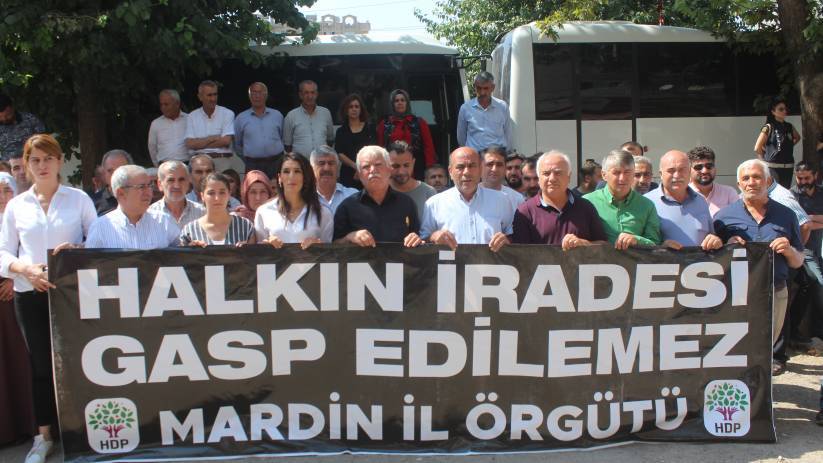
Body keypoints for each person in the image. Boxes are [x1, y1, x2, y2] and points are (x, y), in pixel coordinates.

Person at [0, 134, 96, 463]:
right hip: (29, 294)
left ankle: (82, 433)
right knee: (41, 366)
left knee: (80, 362)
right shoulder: (17, 206)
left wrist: (78, 249)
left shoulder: (78, 199)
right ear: (27, 165)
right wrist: (25, 269)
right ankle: (44, 437)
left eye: (48, 159)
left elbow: (98, 239)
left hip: (72, 295)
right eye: (35, 160)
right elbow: (3, 252)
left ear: (59, 161)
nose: (42, 165)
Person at [714, 159, 803, 355]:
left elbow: (798, 261)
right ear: (739, 184)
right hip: (737, 295)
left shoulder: (787, 215)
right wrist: (726, 246)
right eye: (746, 178)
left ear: (768, 181)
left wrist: (789, 250)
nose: (751, 182)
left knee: (766, 348)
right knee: (737, 348)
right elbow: (713, 259)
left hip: (775, 291)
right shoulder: (723, 217)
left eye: (757, 177)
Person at [421, 147, 514, 251]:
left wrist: (506, 240)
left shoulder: (501, 200)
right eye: (460, 167)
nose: (466, 172)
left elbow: (513, 237)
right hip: (451, 262)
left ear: (480, 169)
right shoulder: (434, 204)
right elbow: (423, 241)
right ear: (450, 172)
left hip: (489, 261)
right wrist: (433, 237)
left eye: (472, 166)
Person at [0, 171, 35, 447]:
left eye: (7, 190)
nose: (2, 197)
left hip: (16, 299)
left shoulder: (22, 216)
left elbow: (26, 251)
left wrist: (13, 278)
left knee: (22, 363)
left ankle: (29, 426)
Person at [512, 151, 607, 247]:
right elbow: (519, 252)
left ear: (568, 177)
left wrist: (585, 244)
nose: (552, 178)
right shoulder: (525, 212)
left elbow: (603, 246)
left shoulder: (586, 207)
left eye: (558, 173)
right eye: (546, 173)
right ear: (539, 179)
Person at [333, 146, 423, 247]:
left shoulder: (407, 204)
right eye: (366, 166)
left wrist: (415, 239)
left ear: (389, 169)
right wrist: (349, 238)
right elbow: (334, 246)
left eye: (378, 164)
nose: (373, 170)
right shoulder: (347, 207)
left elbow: (418, 240)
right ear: (359, 174)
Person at [85, 165, 180, 249]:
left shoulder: (164, 221)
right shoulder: (100, 228)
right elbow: (91, 262)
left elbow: (182, 256)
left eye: (149, 185)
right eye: (141, 187)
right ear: (121, 193)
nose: (149, 192)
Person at [644, 150, 721, 250]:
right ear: (661, 174)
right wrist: (660, 248)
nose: (677, 175)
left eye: (682, 170)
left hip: (699, 260)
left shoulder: (700, 201)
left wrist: (715, 240)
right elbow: (639, 246)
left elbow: (711, 234)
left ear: (689, 172)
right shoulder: (647, 202)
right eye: (671, 170)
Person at [584, 150, 661, 249]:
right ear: (604, 175)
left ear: (633, 174)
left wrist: (636, 240)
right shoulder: (587, 202)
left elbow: (655, 243)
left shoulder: (647, 205)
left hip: (635, 259)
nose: (622, 178)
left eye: (627, 172)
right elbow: (579, 239)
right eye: (616, 172)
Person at [255, 153, 332, 247]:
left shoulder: (323, 213)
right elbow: (258, 251)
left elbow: (330, 251)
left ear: (305, 177)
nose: (291, 176)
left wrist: (318, 245)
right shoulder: (263, 212)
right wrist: (267, 245)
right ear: (279, 178)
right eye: (286, 171)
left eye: (297, 171)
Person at [180, 173, 255, 246]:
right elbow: (181, 253)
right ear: (202, 196)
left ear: (229, 194)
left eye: (222, 193)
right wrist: (190, 250)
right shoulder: (189, 231)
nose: (217, 198)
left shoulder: (245, 226)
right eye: (211, 193)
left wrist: (246, 250)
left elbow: (255, 254)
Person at [376, 89, 436, 180]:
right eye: (396, 101)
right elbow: (380, 149)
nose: (400, 103)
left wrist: (430, 168)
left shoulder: (419, 122)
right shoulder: (384, 124)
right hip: (392, 168)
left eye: (402, 100)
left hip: (416, 167)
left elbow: (429, 147)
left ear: (407, 103)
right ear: (392, 104)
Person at [184, 80, 240, 173]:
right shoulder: (192, 116)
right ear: (200, 97)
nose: (213, 99)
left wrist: (199, 143)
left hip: (222, 160)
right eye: (209, 95)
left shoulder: (227, 113)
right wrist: (211, 138)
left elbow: (226, 141)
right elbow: (190, 144)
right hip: (200, 162)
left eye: (215, 94)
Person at [233, 82, 284, 178]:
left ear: (266, 95)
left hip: (276, 162)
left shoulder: (277, 115)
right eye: (253, 93)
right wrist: (248, 158)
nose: (257, 96)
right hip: (253, 164)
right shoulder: (241, 118)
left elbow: (282, 138)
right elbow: (237, 144)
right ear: (249, 96)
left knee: (278, 186)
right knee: (255, 187)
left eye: (260, 92)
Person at [457, 72, 512, 152]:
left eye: (486, 88)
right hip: (475, 156)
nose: (482, 92)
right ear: (474, 87)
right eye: (479, 88)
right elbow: (461, 137)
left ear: (493, 87)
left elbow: (508, 134)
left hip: (496, 156)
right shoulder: (465, 108)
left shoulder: (502, 107)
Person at [754, 98, 800, 189]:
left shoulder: (789, 126)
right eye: (781, 109)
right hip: (772, 167)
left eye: (785, 109)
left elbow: (797, 138)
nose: (784, 111)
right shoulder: (768, 127)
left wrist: (787, 147)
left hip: (788, 166)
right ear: (773, 112)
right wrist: (763, 163)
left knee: (785, 192)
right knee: (773, 192)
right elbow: (757, 148)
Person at [283, 80, 334, 157]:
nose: (310, 96)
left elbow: (330, 140)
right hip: (300, 162)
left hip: (321, 161)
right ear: (300, 95)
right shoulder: (291, 116)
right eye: (306, 93)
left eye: (312, 92)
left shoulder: (326, 113)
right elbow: (287, 145)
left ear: (317, 94)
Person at [146, 160, 205, 227]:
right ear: (160, 184)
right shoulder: (149, 215)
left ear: (188, 183)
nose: (177, 186)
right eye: (171, 180)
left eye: (181, 180)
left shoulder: (202, 213)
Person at [389, 140, 437, 220]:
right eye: (395, 166)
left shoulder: (428, 192)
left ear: (413, 163)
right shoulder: (380, 191)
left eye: (406, 165)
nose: (401, 171)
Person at [334, 93, 375, 187]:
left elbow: (374, 150)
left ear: (361, 109)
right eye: (351, 107)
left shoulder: (370, 129)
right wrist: (356, 166)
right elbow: (340, 153)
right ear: (346, 110)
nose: (354, 109)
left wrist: (363, 168)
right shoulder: (341, 131)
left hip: (368, 172)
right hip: (348, 174)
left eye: (357, 106)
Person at [688, 145, 738, 217]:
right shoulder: (682, 194)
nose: (704, 171)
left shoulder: (729, 193)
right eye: (698, 167)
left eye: (709, 166)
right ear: (689, 170)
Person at [147, 89, 190, 166]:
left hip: (186, 164)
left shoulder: (189, 119)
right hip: (164, 165)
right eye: (161, 104)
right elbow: (152, 147)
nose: (163, 107)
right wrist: (157, 165)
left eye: (166, 104)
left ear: (177, 104)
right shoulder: (156, 124)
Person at [311, 145, 358, 214]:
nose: (327, 168)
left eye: (331, 163)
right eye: (321, 163)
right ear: (312, 169)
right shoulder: (304, 198)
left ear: (338, 168)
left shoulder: (353, 196)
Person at [0, 93, 45, 161]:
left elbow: (43, 140)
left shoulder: (29, 119)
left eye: (8, 115)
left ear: (12, 108)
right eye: (0, 117)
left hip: (32, 161)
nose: (4, 119)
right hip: (8, 164)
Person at [481, 145, 525, 211]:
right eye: (490, 164)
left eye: (499, 165)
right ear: (480, 167)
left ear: (504, 168)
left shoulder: (517, 199)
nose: (494, 169)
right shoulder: (469, 196)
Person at [90, 149, 132, 216]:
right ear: (104, 173)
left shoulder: (142, 196)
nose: (115, 174)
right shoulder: (92, 203)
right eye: (110, 171)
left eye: (120, 170)